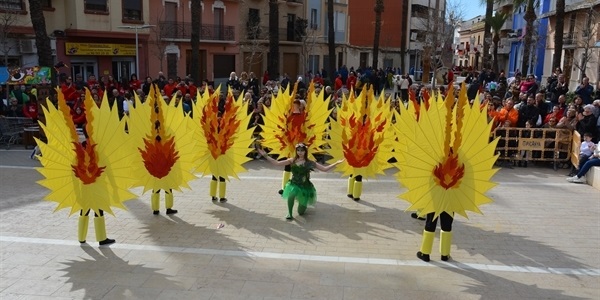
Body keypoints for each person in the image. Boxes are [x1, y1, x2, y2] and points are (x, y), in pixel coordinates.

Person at [257, 143, 344, 220]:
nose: (300, 152)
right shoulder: (292, 160)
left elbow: (324, 169)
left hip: (305, 187)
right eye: (298, 150)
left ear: (305, 151)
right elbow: (277, 163)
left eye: (302, 150)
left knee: (301, 212)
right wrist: (265, 155)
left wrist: (336, 163)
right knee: (291, 195)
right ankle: (289, 214)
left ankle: (301, 202)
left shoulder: (310, 162)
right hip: (294, 184)